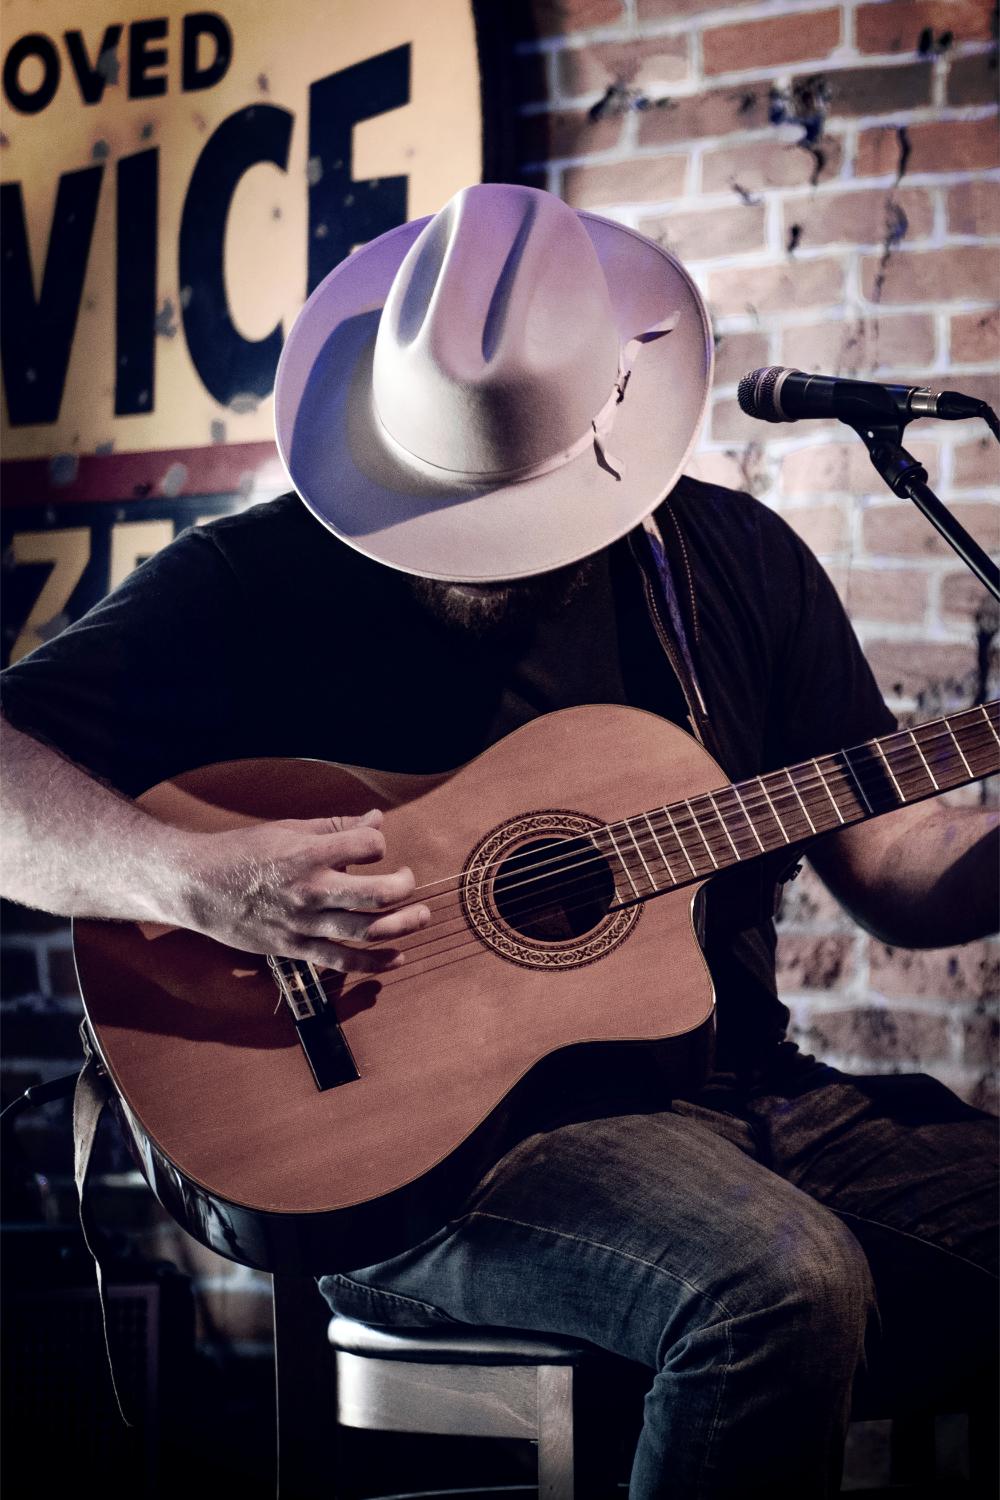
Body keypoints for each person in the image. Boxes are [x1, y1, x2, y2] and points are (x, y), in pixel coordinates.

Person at [1, 183, 996, 1498]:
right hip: (413, 1155)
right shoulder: (255, 580)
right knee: (780, 1285)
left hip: (747, 1095)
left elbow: (895, 866)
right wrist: (193, 880)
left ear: (604, 445)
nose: (470, 558)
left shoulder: (733, 564)